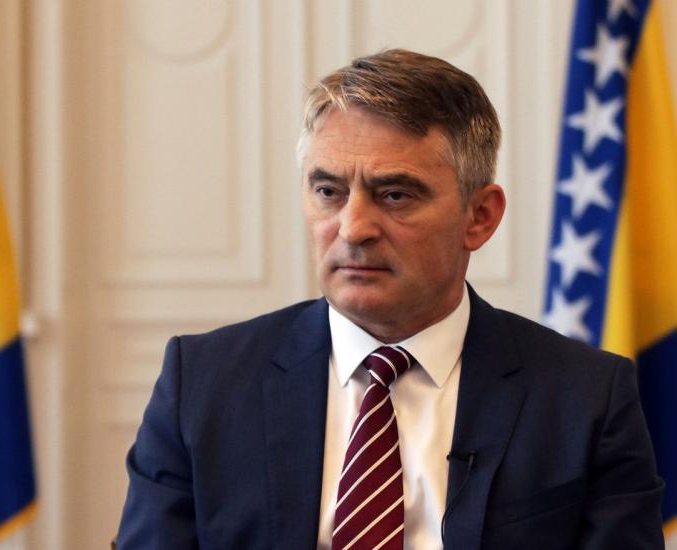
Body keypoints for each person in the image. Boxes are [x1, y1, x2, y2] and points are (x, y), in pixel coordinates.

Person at [115, 49, 664, 549]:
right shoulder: (202, 384)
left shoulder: (586, 397)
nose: (353, 228)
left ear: (479, 217)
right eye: (328, 192)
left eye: (395, 195)